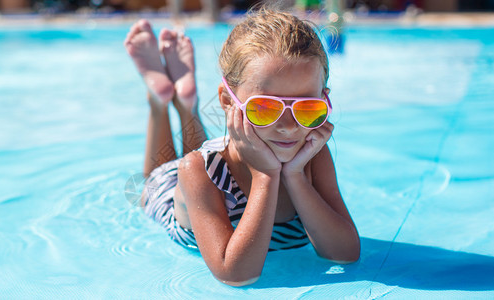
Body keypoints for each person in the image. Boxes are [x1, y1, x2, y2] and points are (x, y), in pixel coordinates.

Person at [124, 7, 360, 287]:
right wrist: (266, 175)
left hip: (224, 159)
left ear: (325, 101)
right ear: (227, 101)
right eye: (264, 108)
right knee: (150, 182)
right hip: (180, 188)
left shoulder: (312, 156)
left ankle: (185, 103)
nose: (288, 126)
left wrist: (295, 176)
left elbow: (345, 254)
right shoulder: (197, 170)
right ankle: (159, 102)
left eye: (307, 109)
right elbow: (236, 274)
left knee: (199, 153)